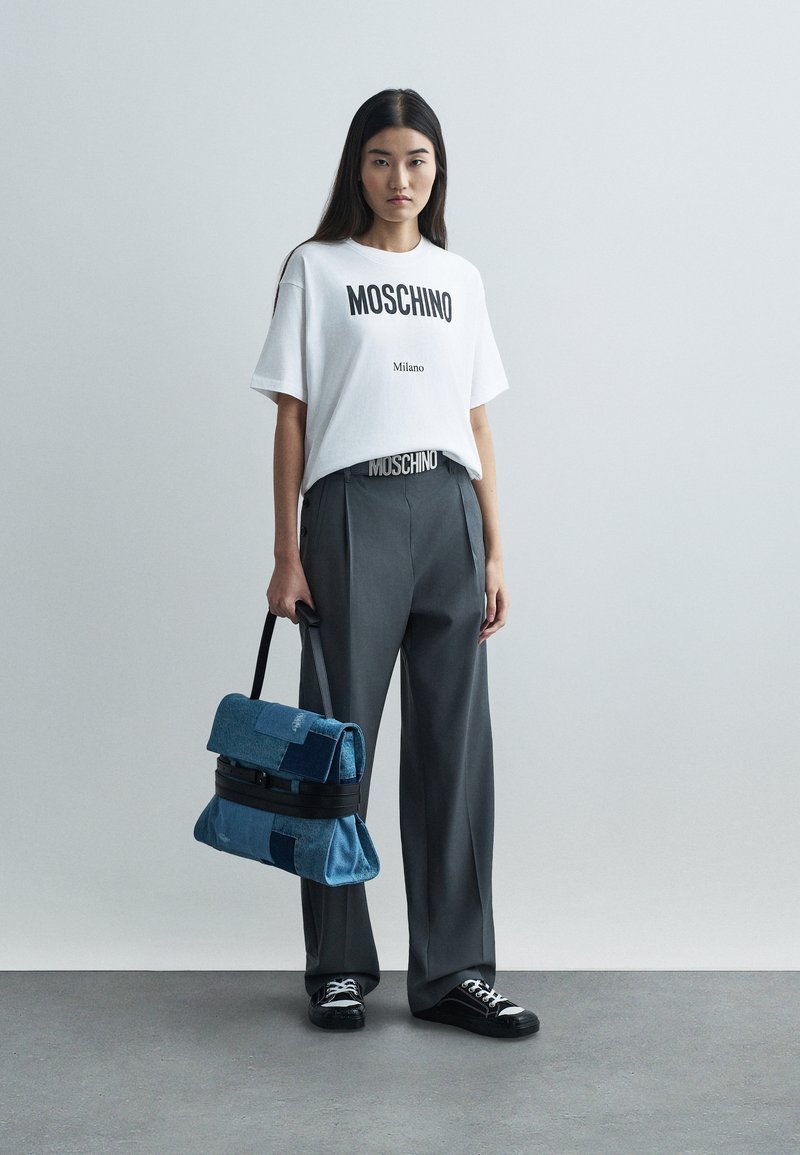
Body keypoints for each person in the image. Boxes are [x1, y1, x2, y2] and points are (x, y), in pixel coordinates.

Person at [249, 88, 539, 1041]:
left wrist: (495, 548)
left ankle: (455, 970)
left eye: (416, 160)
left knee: (456, 751)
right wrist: (286, 551)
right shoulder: (316, 267)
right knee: (335, 747)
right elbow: (291, 416)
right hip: (350, 510)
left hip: (448, 508)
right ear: (357, 167)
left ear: (436, 169)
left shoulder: (460, 278)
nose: (399, 178)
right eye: (381, 159)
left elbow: (479, 421)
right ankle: (337, 967)